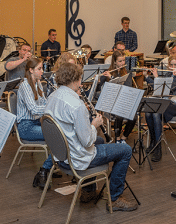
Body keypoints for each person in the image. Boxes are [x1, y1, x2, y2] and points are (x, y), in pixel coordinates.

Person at [45, 62, 137, 211]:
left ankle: (88, 192)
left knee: (100, 141)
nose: (81, 84)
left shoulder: (52, 97)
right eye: (80, 80)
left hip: (60, 156)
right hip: (77, 158)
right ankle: (115, 199)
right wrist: (94, 124)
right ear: (75, 80)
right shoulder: (76, 104)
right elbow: (87, 141)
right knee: (125, 150)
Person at [16, 57, 57, 189]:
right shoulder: (24, 86)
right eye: (39, 69)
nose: (42, 72)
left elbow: (44, 103)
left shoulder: (38, 83)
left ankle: (48, 167)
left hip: (37, 123)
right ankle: (45, 169)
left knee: (63, 133)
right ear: (31, 70)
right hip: (26, 126)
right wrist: (51, 109)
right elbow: (33, 110)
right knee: (58, 137)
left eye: (42, 69)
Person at [143, 54, 176, 162]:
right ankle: (153, 141)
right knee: (148, 112)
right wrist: (147, 77)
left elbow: (169, 87)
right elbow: (157, 87)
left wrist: (157, 77)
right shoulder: (167, 74)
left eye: (175, 64)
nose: (173, 66)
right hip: (165, 103)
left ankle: (158, 148)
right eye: (171, 65)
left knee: (157, 112)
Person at [100, 50, 134, 144]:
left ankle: (123, 137)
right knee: (119, 115)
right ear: (114, 61)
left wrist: (112, 78)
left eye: (123, 60)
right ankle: (117, 139)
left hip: (124, 101)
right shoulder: (109, 72)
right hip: (112, 103)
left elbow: (127, 88)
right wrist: (98, 79)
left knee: (134, 117)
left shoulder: (127, 72)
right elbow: (100, 87)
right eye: (120, 61)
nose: (122, 63)